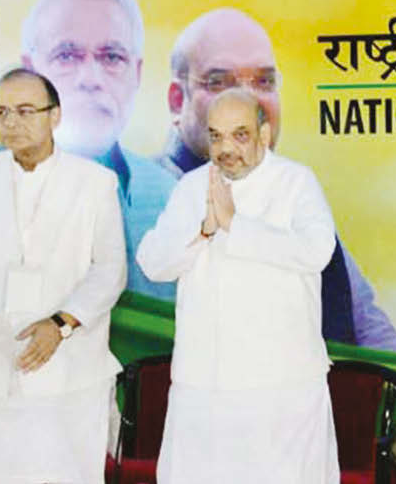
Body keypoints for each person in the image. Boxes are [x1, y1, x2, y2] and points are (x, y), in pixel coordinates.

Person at [0, 70, 126, 484]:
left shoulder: (95, 183)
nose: (10, 122)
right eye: (1, 112)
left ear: (55, 116)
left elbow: (109, 271)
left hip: (67, 368)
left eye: (24, 111)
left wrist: (61, 323)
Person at [157, 8, 396, 350]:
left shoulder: (294, 190)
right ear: (177, 99)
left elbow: (373, 336)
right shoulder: (151, 197)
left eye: (264, 82)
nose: (248, 99)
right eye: (219, 81)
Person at [138, 89, 339, 483]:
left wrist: (235, 224)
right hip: (203, 389)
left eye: (240, 135)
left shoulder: (295, 182)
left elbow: (318, 251)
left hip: (281, 392)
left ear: (264, 135)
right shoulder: (192, 187)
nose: (226, 148)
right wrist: (203, 229)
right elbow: (152, 262)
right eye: (216, 136)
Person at [21, 0, 176, 300]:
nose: (90, 79)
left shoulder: (168, 196)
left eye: (111, 57)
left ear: (136, 73)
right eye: (66, 56)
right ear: (30, 72)